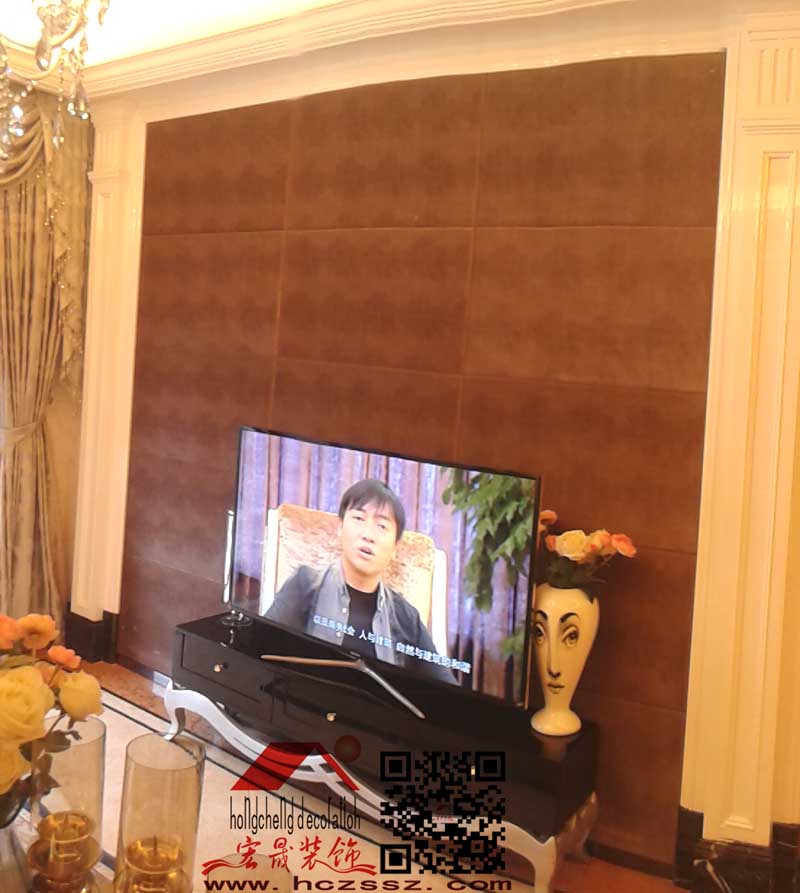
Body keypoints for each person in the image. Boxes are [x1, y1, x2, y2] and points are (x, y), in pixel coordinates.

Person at [266, 479, 455, 685]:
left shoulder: (405, 617)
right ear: (340, 528)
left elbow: (445, 687)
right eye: (358, 518)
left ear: (395, 548)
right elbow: (259, 647)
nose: (368, 535)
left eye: (381, 526)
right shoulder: (305, 585)